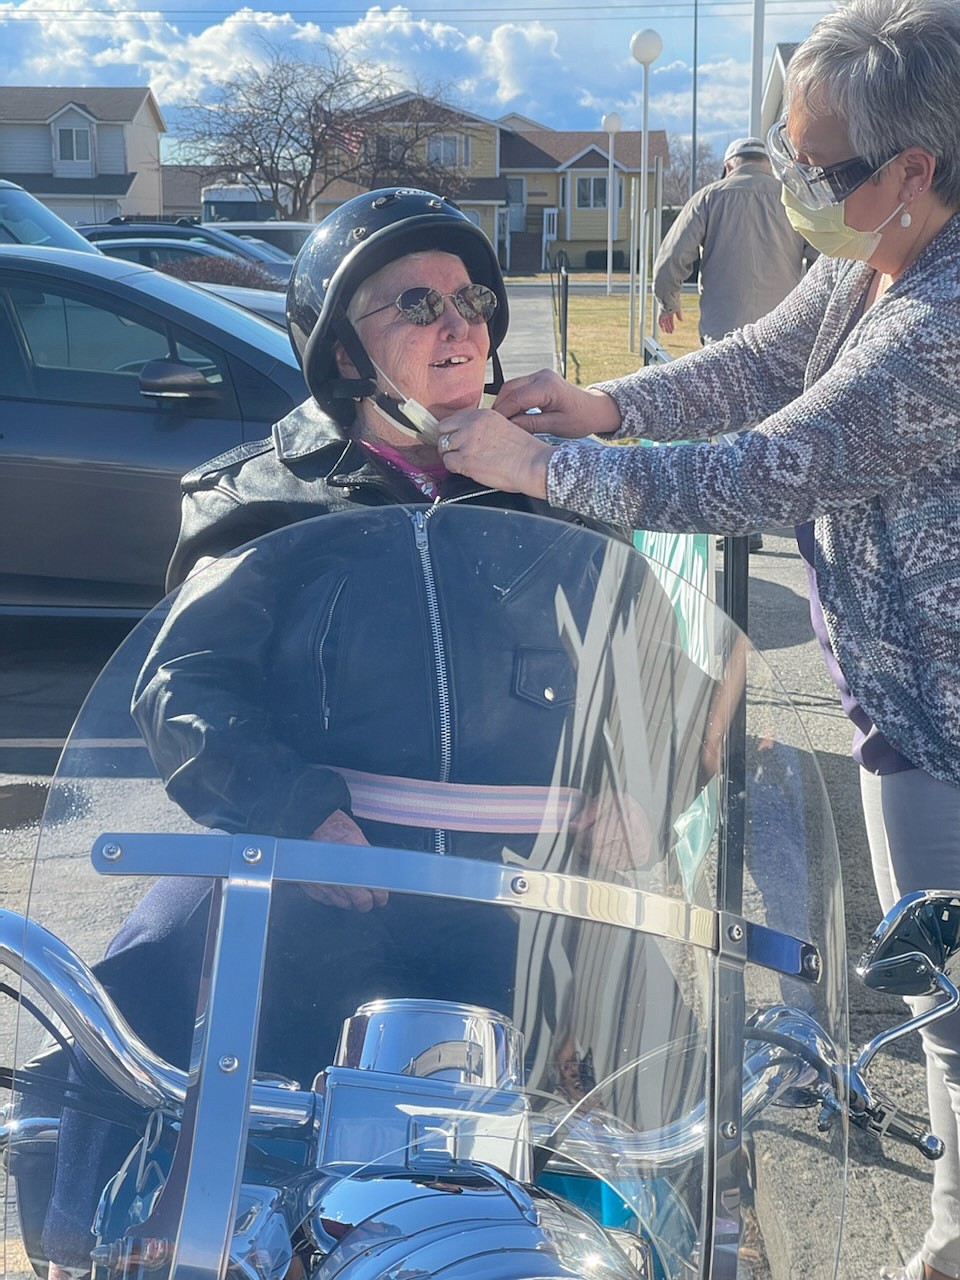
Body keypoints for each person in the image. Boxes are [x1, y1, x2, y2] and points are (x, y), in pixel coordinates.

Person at [40, 188, 714, 1278]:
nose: (459, 323)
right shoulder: (261, 497)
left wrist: (646, 777)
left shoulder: (551, 491)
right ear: (342, 350)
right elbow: (183, 683)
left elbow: (665, 682)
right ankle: (89, 1234)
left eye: (471, 299)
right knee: (145, 966)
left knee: (684, 1062)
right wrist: (292, 806)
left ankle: (695, 1242)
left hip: (526, 876)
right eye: (416, 302)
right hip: (310, 865)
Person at [436, 3, 960, 1278]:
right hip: (904, 699)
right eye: (779, 149)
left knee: (953, 985)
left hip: (948, 709)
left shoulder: (943, 323)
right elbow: (756, 366)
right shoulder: (873, 255)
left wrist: (556, 468)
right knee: (947, 995)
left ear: (913, 169)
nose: (789, 185)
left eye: (814, 163)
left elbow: (776, 468)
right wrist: (609, 401)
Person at [654, 134, 814, 552]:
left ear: (729, 165)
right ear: (767, 163)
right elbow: (822, 260)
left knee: (727, 423)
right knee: (779, 420)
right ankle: (780, 503)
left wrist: (667, 300)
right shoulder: (792, 196)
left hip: (725, 329)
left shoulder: (710, 197)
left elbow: (673, 257)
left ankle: (739, 523)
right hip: (787, 330)